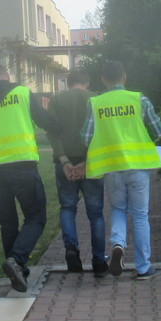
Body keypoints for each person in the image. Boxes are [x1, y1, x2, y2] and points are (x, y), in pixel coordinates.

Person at [0, 63, 60, 292]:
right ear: (6, 76)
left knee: (7, 223)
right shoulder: (22, 93)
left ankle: (18, 272)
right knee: (36, 217)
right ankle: (16, 261)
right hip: (22, 165)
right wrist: (64, 127)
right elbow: (44, 121)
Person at [82, 60, 161, 280]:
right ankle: (143, 268)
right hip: (137, 166)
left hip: (112, 168)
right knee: (140, 215)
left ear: (103, 79)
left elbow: (86, 136)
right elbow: (158, 130)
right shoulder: (139, 99)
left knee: (118, 209)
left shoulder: (95, 103)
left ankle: (118, 244)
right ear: (124, 77)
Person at [46, 69, 108, 277]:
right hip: (90, 161)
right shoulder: (96, 99)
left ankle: (71, 249)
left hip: (63, 162)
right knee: (96, 213)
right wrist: (85, 162)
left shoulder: (56, 100)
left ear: (68, 82)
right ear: (87, 82)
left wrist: (64, 160)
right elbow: (100, 133)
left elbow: (52, 132)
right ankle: (99, 261)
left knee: (67, 207)